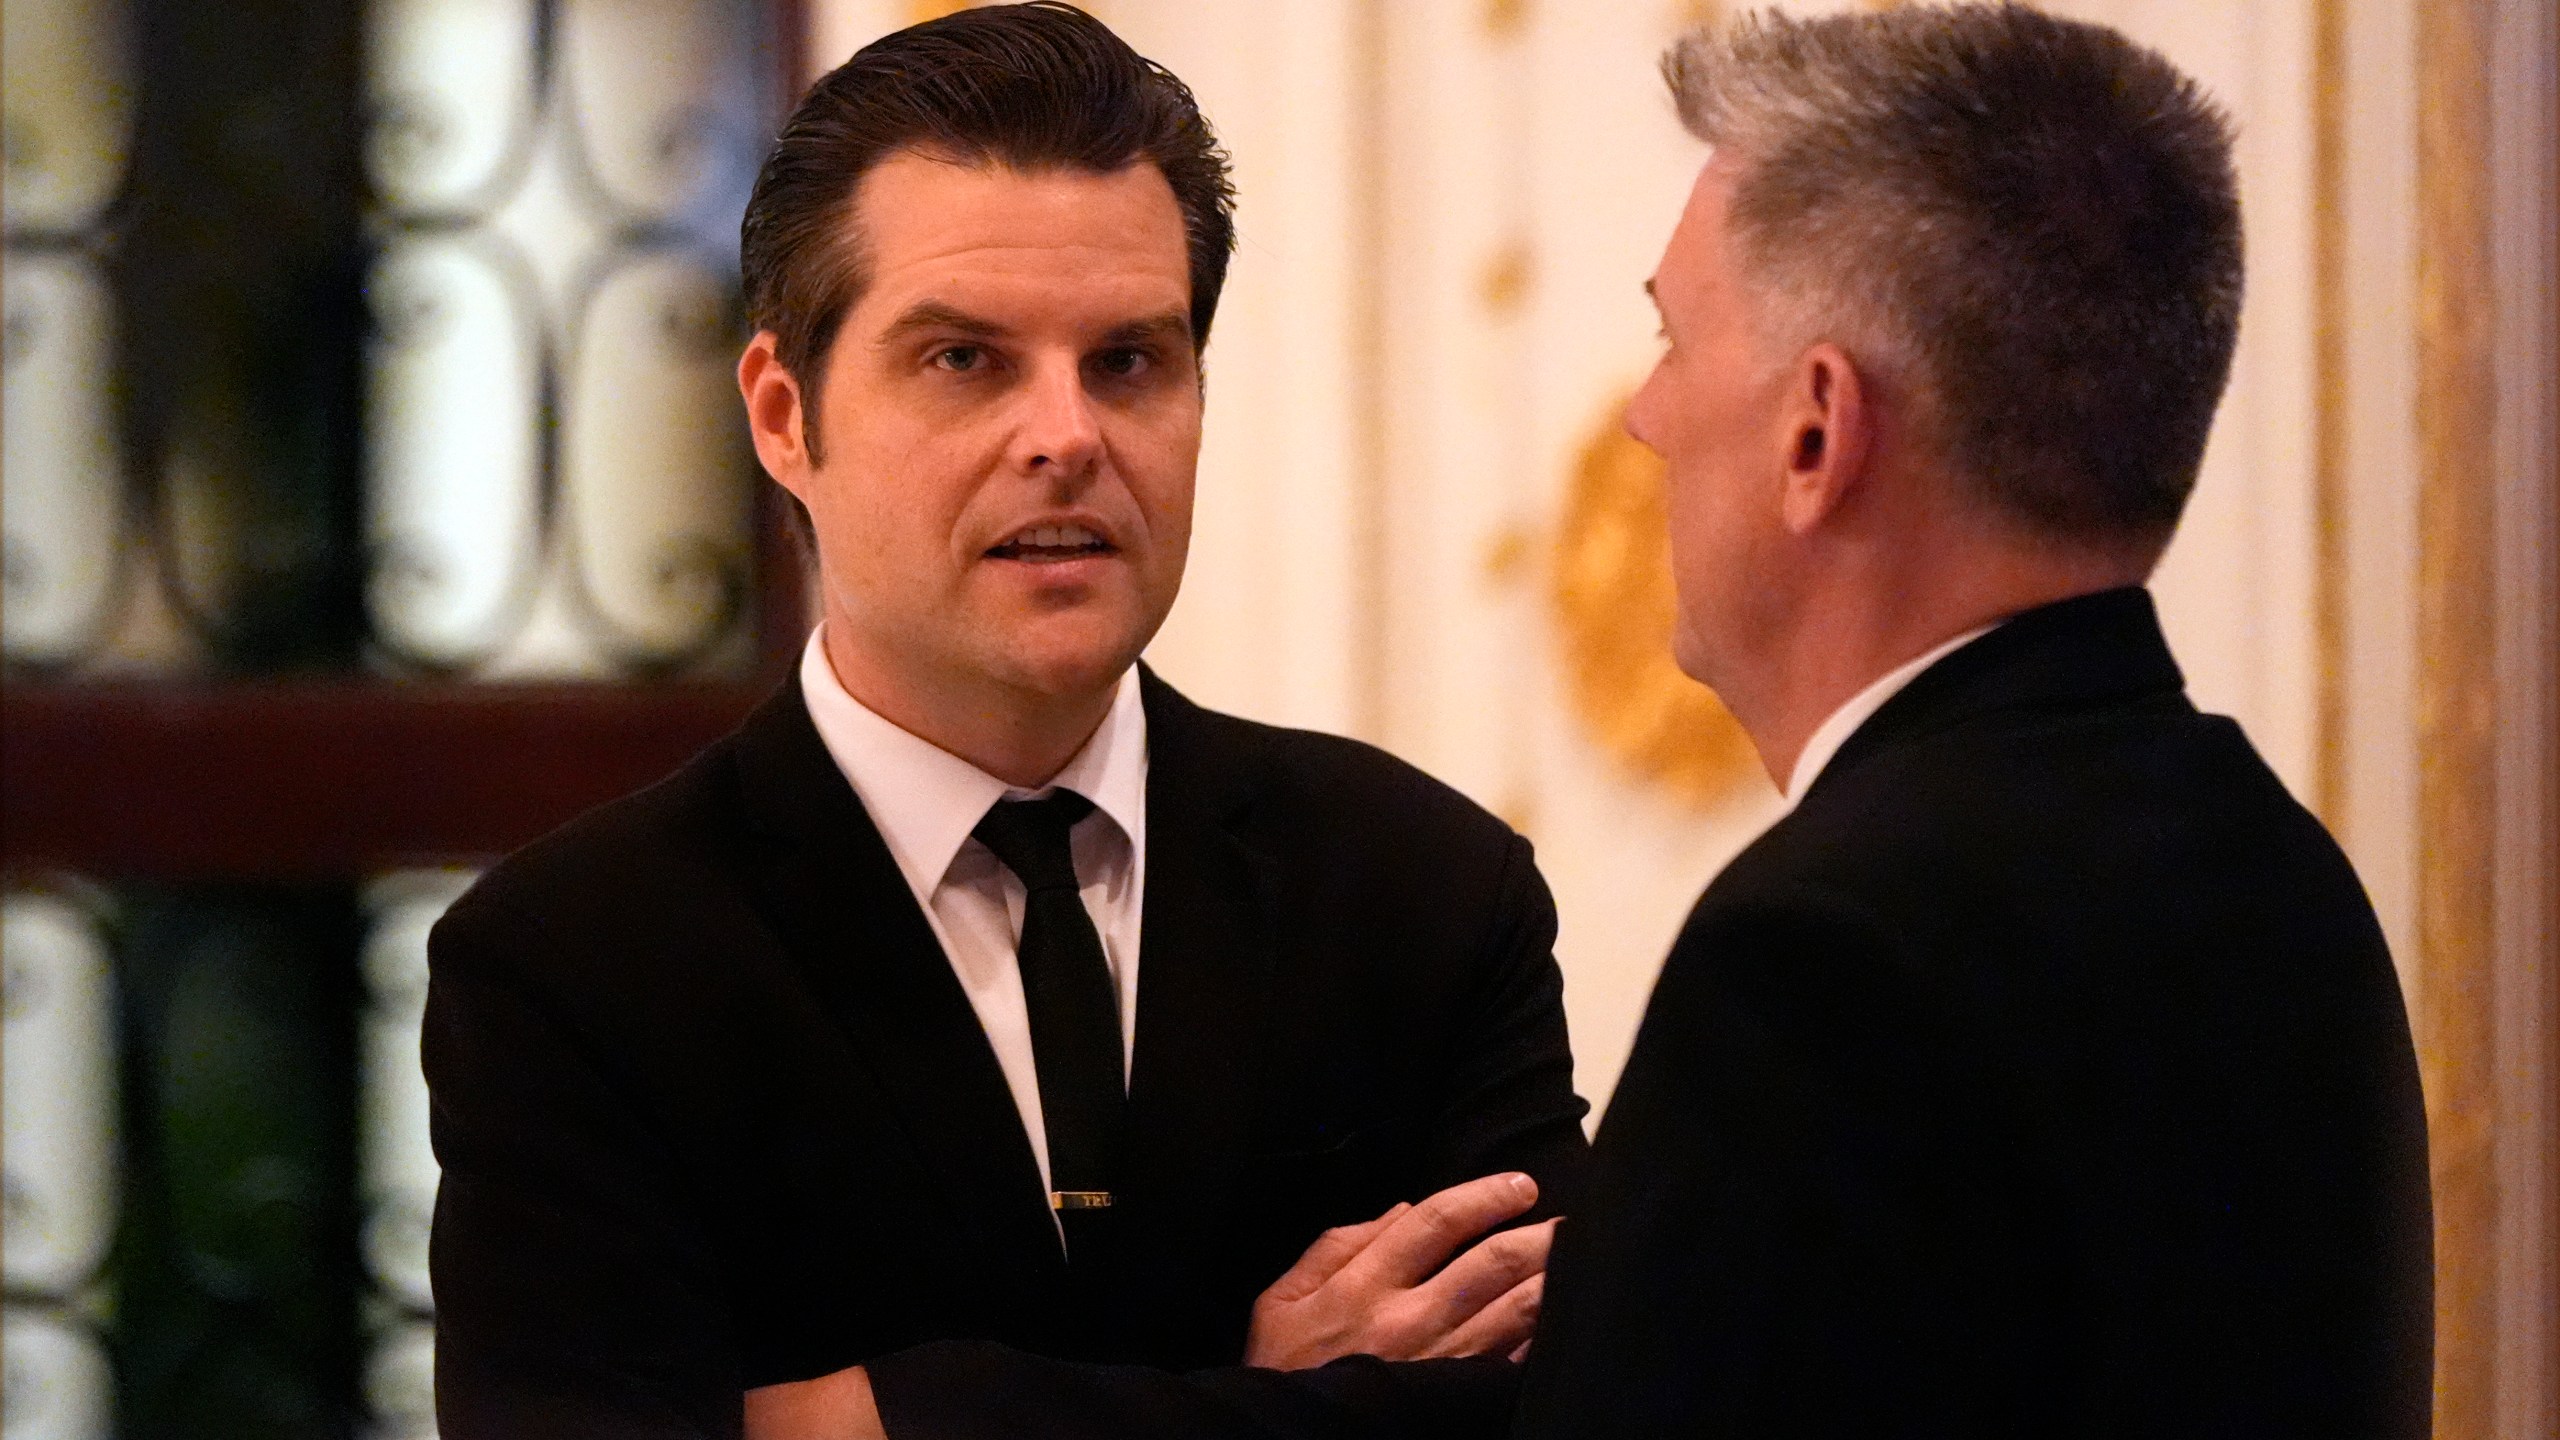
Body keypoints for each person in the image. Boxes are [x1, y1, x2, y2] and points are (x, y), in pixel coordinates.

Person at [422, 7, 1588, 1439]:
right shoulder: (577, 963)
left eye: (1130, 361)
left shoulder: (1423, 891)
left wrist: (883, 1415)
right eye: (965, 360)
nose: (1068, 436)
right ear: (786, 414)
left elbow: (1558, 1412)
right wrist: (1266, 1399)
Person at [1512, 6, 2431, 1437]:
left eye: (1671, 336)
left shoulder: (1821, 960)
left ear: (1818, 431)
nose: (1643, 415)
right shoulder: (2288, 878)